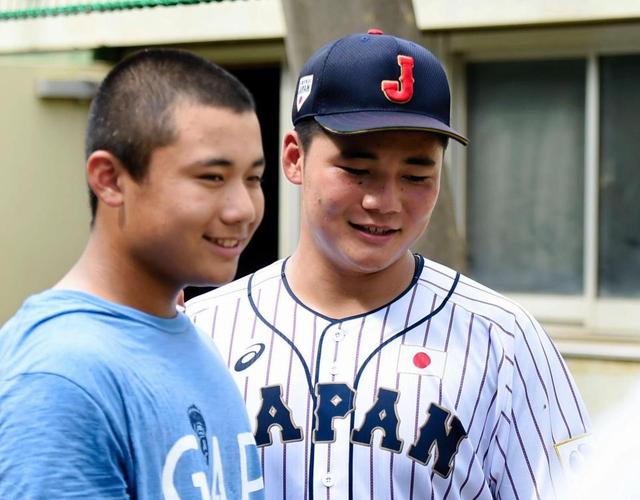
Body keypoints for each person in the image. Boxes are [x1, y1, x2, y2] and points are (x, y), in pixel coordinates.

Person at [186, 30, 590, 499]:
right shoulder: (202, 331)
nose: (384, 201)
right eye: (357, 171)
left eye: (416, 176)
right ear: (295, 158)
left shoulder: (502, 341)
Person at [0, 49, 265, 499]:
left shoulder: (190, 338)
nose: (243, 209)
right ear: (110, 180)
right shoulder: (60, 376)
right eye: (211, 178)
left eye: (253, 179)